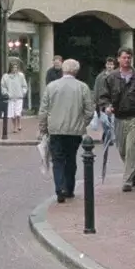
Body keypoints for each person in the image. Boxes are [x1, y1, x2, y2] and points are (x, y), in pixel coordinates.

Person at [96, 48, 135, 192]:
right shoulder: (111, 78)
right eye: (124, 58)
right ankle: (134, 171)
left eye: (129, 57)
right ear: (118, 59)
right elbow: (103, 97)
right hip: (119, 118)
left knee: (131, 148)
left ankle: (127, 180)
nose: (127, 60)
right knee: (122, 150)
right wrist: (107, 106)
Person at [40, 59, 94, 203]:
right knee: (71, 159)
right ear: (76, 71)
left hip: (55, 130)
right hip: (74, 131)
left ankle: (60, 188)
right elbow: (89, 111)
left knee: (57, 160)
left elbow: (43, 111)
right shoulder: (83, 87)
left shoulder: (51, 87)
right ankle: (69, 188)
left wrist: (43, 129)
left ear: (63, 70)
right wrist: (82, 124)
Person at [0, 58, 29, 133]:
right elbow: (3, 87)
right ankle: (14, 127)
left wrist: (23, 92)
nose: (15, 69)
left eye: (16, 67)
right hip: (10, 98)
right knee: (12, 114)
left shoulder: (21, 76)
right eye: (13, 67)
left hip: (19, 97)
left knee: (18, 113)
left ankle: (19, 123)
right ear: (10, 68)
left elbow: (24, 85)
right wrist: (6, 93)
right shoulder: (5, 76)